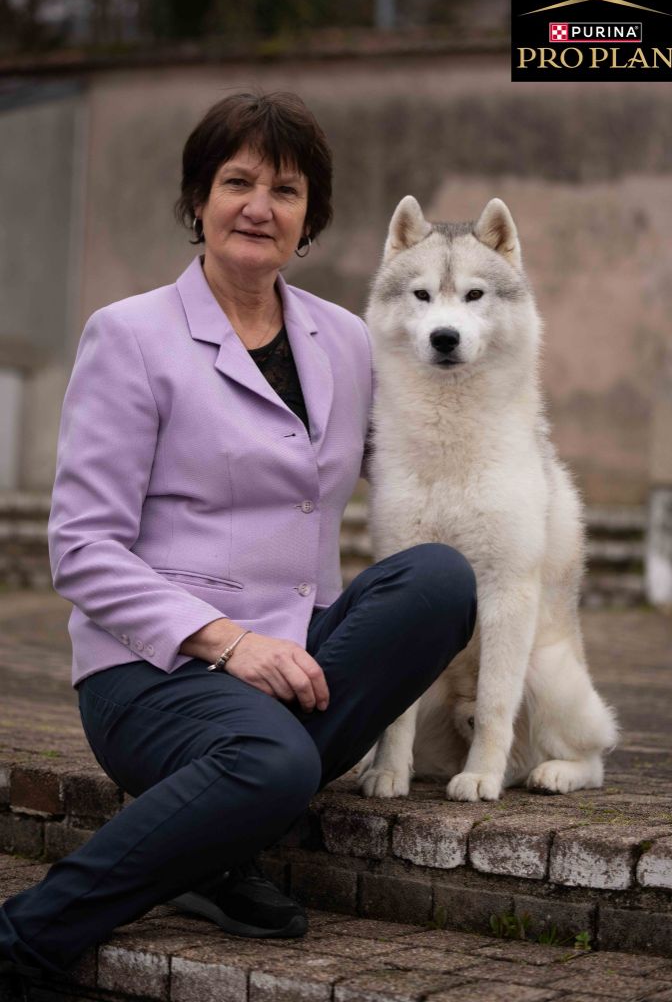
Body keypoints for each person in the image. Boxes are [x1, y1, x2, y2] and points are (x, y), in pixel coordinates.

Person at [0, 90, 477, 991]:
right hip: (153, 672)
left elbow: (418, 466)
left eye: (287, 190)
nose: (260, 205)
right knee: (274, 760)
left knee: (440, 581)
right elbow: (82, 546)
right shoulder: (131, 335)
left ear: (310, 221)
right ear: (198, 202)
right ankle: (26, 938)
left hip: (296, 656)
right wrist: (229, 643)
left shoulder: (345, 340)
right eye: (237, 181)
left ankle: (215, 852)